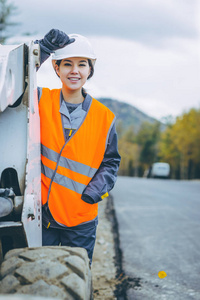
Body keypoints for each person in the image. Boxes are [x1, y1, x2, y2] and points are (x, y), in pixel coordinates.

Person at [35, 29, 121, 264]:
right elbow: (12, 86)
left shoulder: (105, 118)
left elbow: (111, 162)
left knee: (75, 280)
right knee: (37, 278)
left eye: (82, 64)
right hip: (42, 215)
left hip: (81, 217)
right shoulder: (40, 100)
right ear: (56, 68)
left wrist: (93, 194)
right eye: (67, 64)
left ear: (90, 70)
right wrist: (40, 51)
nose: (75, 71)